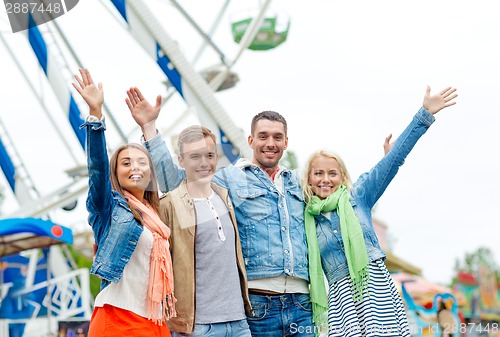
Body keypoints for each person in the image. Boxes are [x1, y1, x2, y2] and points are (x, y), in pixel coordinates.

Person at [127, 87, 315, 336]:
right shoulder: (228, 181)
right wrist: (150, 129)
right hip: (259, 303)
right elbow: (177, 184)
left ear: (286, 142)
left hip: (302, 303)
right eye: (263, 136)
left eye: (278, 137)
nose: (271, 143)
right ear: (251, 141)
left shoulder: (299, 184)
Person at [301, 86, 458, 337]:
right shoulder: (306, 217)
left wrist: (424, 114)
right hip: (342, 305)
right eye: (318, 173)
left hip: (376, 292)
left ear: (342, 177)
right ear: (308, 179)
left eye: (332, 173)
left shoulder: (358, 196)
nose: (325, 180)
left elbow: (393, 160)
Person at [128, 91, 253, 337]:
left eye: (209, 155)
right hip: (196, 327)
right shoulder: (172, 203)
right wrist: (150, 128)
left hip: (238, 323)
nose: (204, 162)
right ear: (181, 161)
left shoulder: (225, 196)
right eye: (195, 156)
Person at [72, 69, 175, 337]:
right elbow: (96, 169)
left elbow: (181, 182)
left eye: (142, 162)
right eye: (126, 163)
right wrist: (96, 114)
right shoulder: (108, 208)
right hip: (118, 316)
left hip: (154, 318)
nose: (135, 168)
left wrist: (149, 128)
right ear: (115, 172)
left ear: (151, 173)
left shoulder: (157, 216)